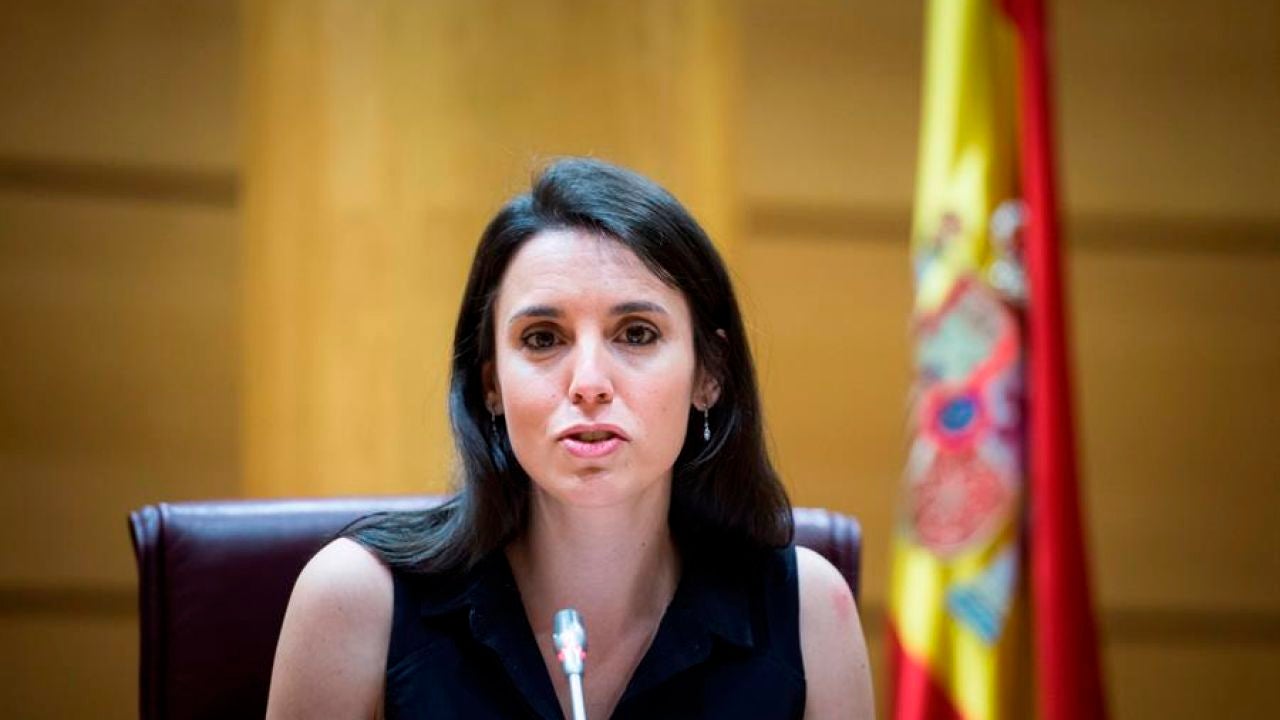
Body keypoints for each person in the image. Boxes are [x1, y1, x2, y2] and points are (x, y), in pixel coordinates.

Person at [265, 158, 874, 719]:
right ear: (491, 386)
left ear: (708, 374)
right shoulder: (356, 601)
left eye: (636, 334)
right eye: (543, 339)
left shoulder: (809, 614)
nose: (588, 384)